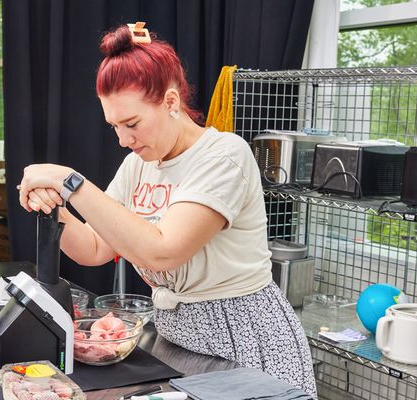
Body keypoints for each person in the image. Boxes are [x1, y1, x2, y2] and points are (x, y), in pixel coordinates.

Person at [18, 23, 317, 398]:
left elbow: (163, 250)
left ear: (171, 102)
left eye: (132, 123)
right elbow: (95, 247)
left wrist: (70, 183)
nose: (124, 140)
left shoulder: (225, 155)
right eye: (114, 126)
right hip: (174, 341)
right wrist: (52, 209)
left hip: (245, 347)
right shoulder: (138, 165)